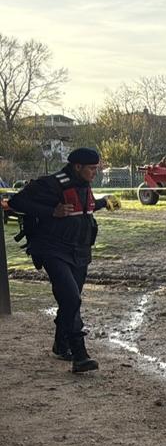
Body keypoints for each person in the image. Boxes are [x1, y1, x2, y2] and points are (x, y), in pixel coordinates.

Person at [9, 147, 120, 373]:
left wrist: (103, 202)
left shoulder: (83, 183)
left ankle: (61, 344)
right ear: (77, 166)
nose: (95, 173)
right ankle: (80, 354)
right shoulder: (50, 184)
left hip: (80, 252)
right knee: (71, 298)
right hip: (53, 250)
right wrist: (51, 211)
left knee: (69, 300)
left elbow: (82, 207)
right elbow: (17, 202)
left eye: (96, 168)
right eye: (92, 169)